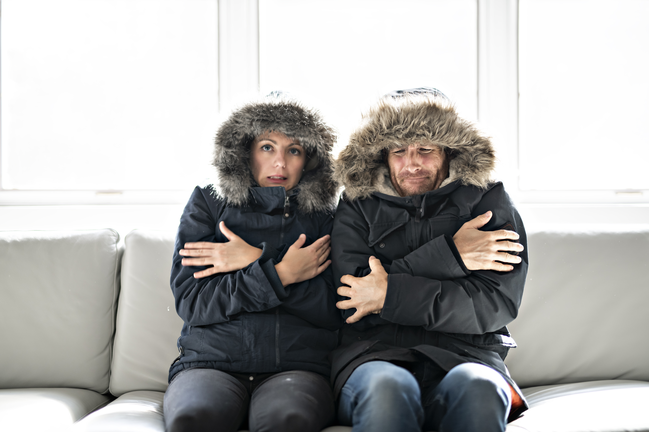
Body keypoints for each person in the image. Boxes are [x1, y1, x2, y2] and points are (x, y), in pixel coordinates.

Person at [330, 88, 529, 432]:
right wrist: (450, 255)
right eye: (399, 151)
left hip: (468, 355)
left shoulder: (488, 200)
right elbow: (354, 299)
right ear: (383, 156)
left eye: (425, 150)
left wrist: (388, 294)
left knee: (479, 388)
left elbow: (494, 303)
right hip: (374, 357)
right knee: (388, 390)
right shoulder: (356, 205)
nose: (412, 164)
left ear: (449, 152)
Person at [163, 94, 341, 432]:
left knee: (288, 421)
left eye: (294, 150)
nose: (280, 164)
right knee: (193, 420)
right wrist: (281, 273)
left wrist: (253, 259)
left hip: (297, 366)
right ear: (244, 151)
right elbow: (193, 302)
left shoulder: (323, 217)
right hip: (209, 363)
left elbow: (333, 309)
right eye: (267, 147)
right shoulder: (208, 204)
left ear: (309, 161)